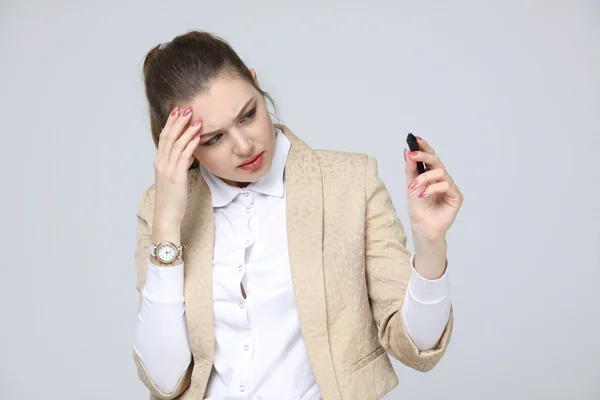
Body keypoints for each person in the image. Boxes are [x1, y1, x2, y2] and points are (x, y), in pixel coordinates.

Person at [133, 30, 464, 400]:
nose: (244, 146)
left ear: (257, 86)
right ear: (181, 146)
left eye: (248, 115)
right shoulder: (158, 209)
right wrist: (166, 223)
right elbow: (164, 380)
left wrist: (430, 243)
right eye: (214, 139)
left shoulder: (349, 184)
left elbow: (417, 346)